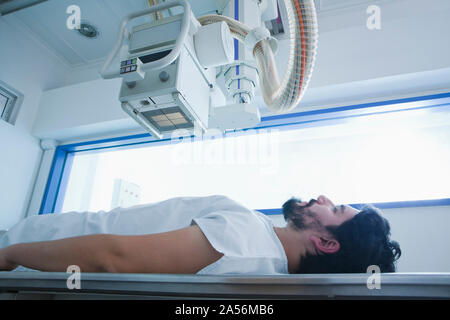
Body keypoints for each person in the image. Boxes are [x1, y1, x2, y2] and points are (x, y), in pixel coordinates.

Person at [0, 194, 401, 274]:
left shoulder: (246, 243)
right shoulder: (259, 244)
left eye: (335, 209)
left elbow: (111, 257)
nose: (323, 197)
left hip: (22, 253)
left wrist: (12, 255)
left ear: (327, 243)